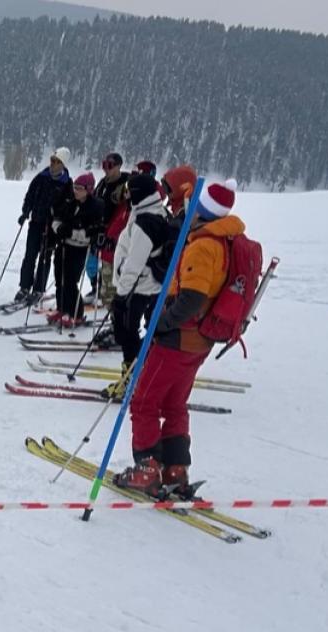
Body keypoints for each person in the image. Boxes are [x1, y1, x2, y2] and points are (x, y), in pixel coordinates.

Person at [118, 179, 241, 500]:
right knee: (173, 403)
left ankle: (147, 468)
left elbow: (193, 297)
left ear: (201, 211)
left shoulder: (204, 244)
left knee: (144, 400)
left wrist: (161, 324)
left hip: (178, 339)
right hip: (197, 341)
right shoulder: (221, 240)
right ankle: (175, 468)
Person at [103, 172, 170, 398]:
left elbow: (134, 264)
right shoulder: (150, 211)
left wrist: (120, 297)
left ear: (139, 193)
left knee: (126, 332)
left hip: (137, 287)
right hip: (146, 285)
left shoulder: (145, 223)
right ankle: (137, 373)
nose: (127, 194)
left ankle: (131, 380)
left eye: (130, 190)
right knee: (130, 332)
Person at [16, 147, 73, 305]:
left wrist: (57, 214)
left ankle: (39, 289)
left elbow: (68, 205)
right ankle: (24, 287)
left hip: (52, 226)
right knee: (30, 255)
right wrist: (25, 212)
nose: (53, 164)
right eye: (52, 161)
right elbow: (30, 195)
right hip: (36, 222)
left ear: (63, 164)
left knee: (45, 258)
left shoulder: (66, 183)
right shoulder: (41, 177)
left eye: (57, 162)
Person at [49, 172, 104, 327]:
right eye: (75, 187)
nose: (76, 191)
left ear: (88, 189)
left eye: (79, 188)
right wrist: (59, 229)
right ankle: (62, 308)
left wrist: (71, 232)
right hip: (64, 246)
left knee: (71, 281)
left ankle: (76, 313)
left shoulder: (95, 207)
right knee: (60, 278)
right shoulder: (71, 203)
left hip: (78, 248)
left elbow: (91, 233)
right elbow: (57, 219)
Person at [94, 152, 130, 309]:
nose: (106, 169)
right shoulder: (102, 184)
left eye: (109, 166)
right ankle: (101, 292)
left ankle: (113, 307)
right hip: (100, 232)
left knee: (112, 273)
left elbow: (125, 215)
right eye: (104, 165)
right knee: (96, 267)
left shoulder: (126, 183)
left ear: (118, 166)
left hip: (116, 238)